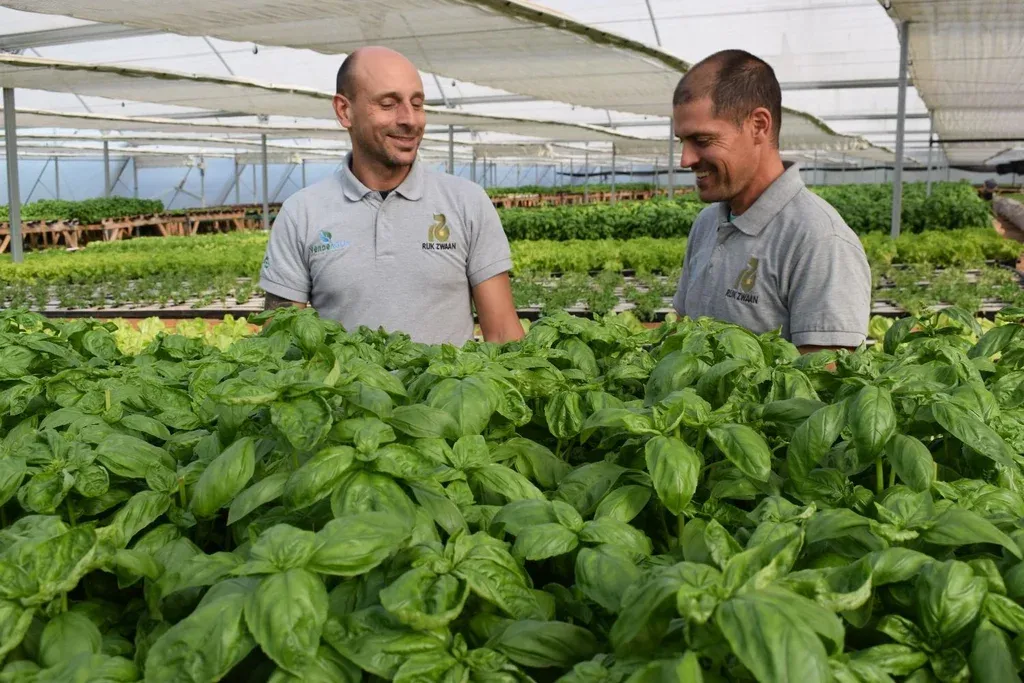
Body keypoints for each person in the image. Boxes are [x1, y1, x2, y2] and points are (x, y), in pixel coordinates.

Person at [259, 46, 524, 345]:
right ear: (344, 111)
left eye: (417, 104)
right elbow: (277, 347)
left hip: (449, 379)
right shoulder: (301, 213)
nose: (410, 119)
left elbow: (503, 333)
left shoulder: (467, 203)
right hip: (346, 380)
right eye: (388, 104)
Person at [670, 49, 871, 353]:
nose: (685, 160)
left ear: (759, 125)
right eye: (682, 142)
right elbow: (681, 338)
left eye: (702, 140)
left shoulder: (819, 241)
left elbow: (825, 377)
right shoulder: (707, 224)